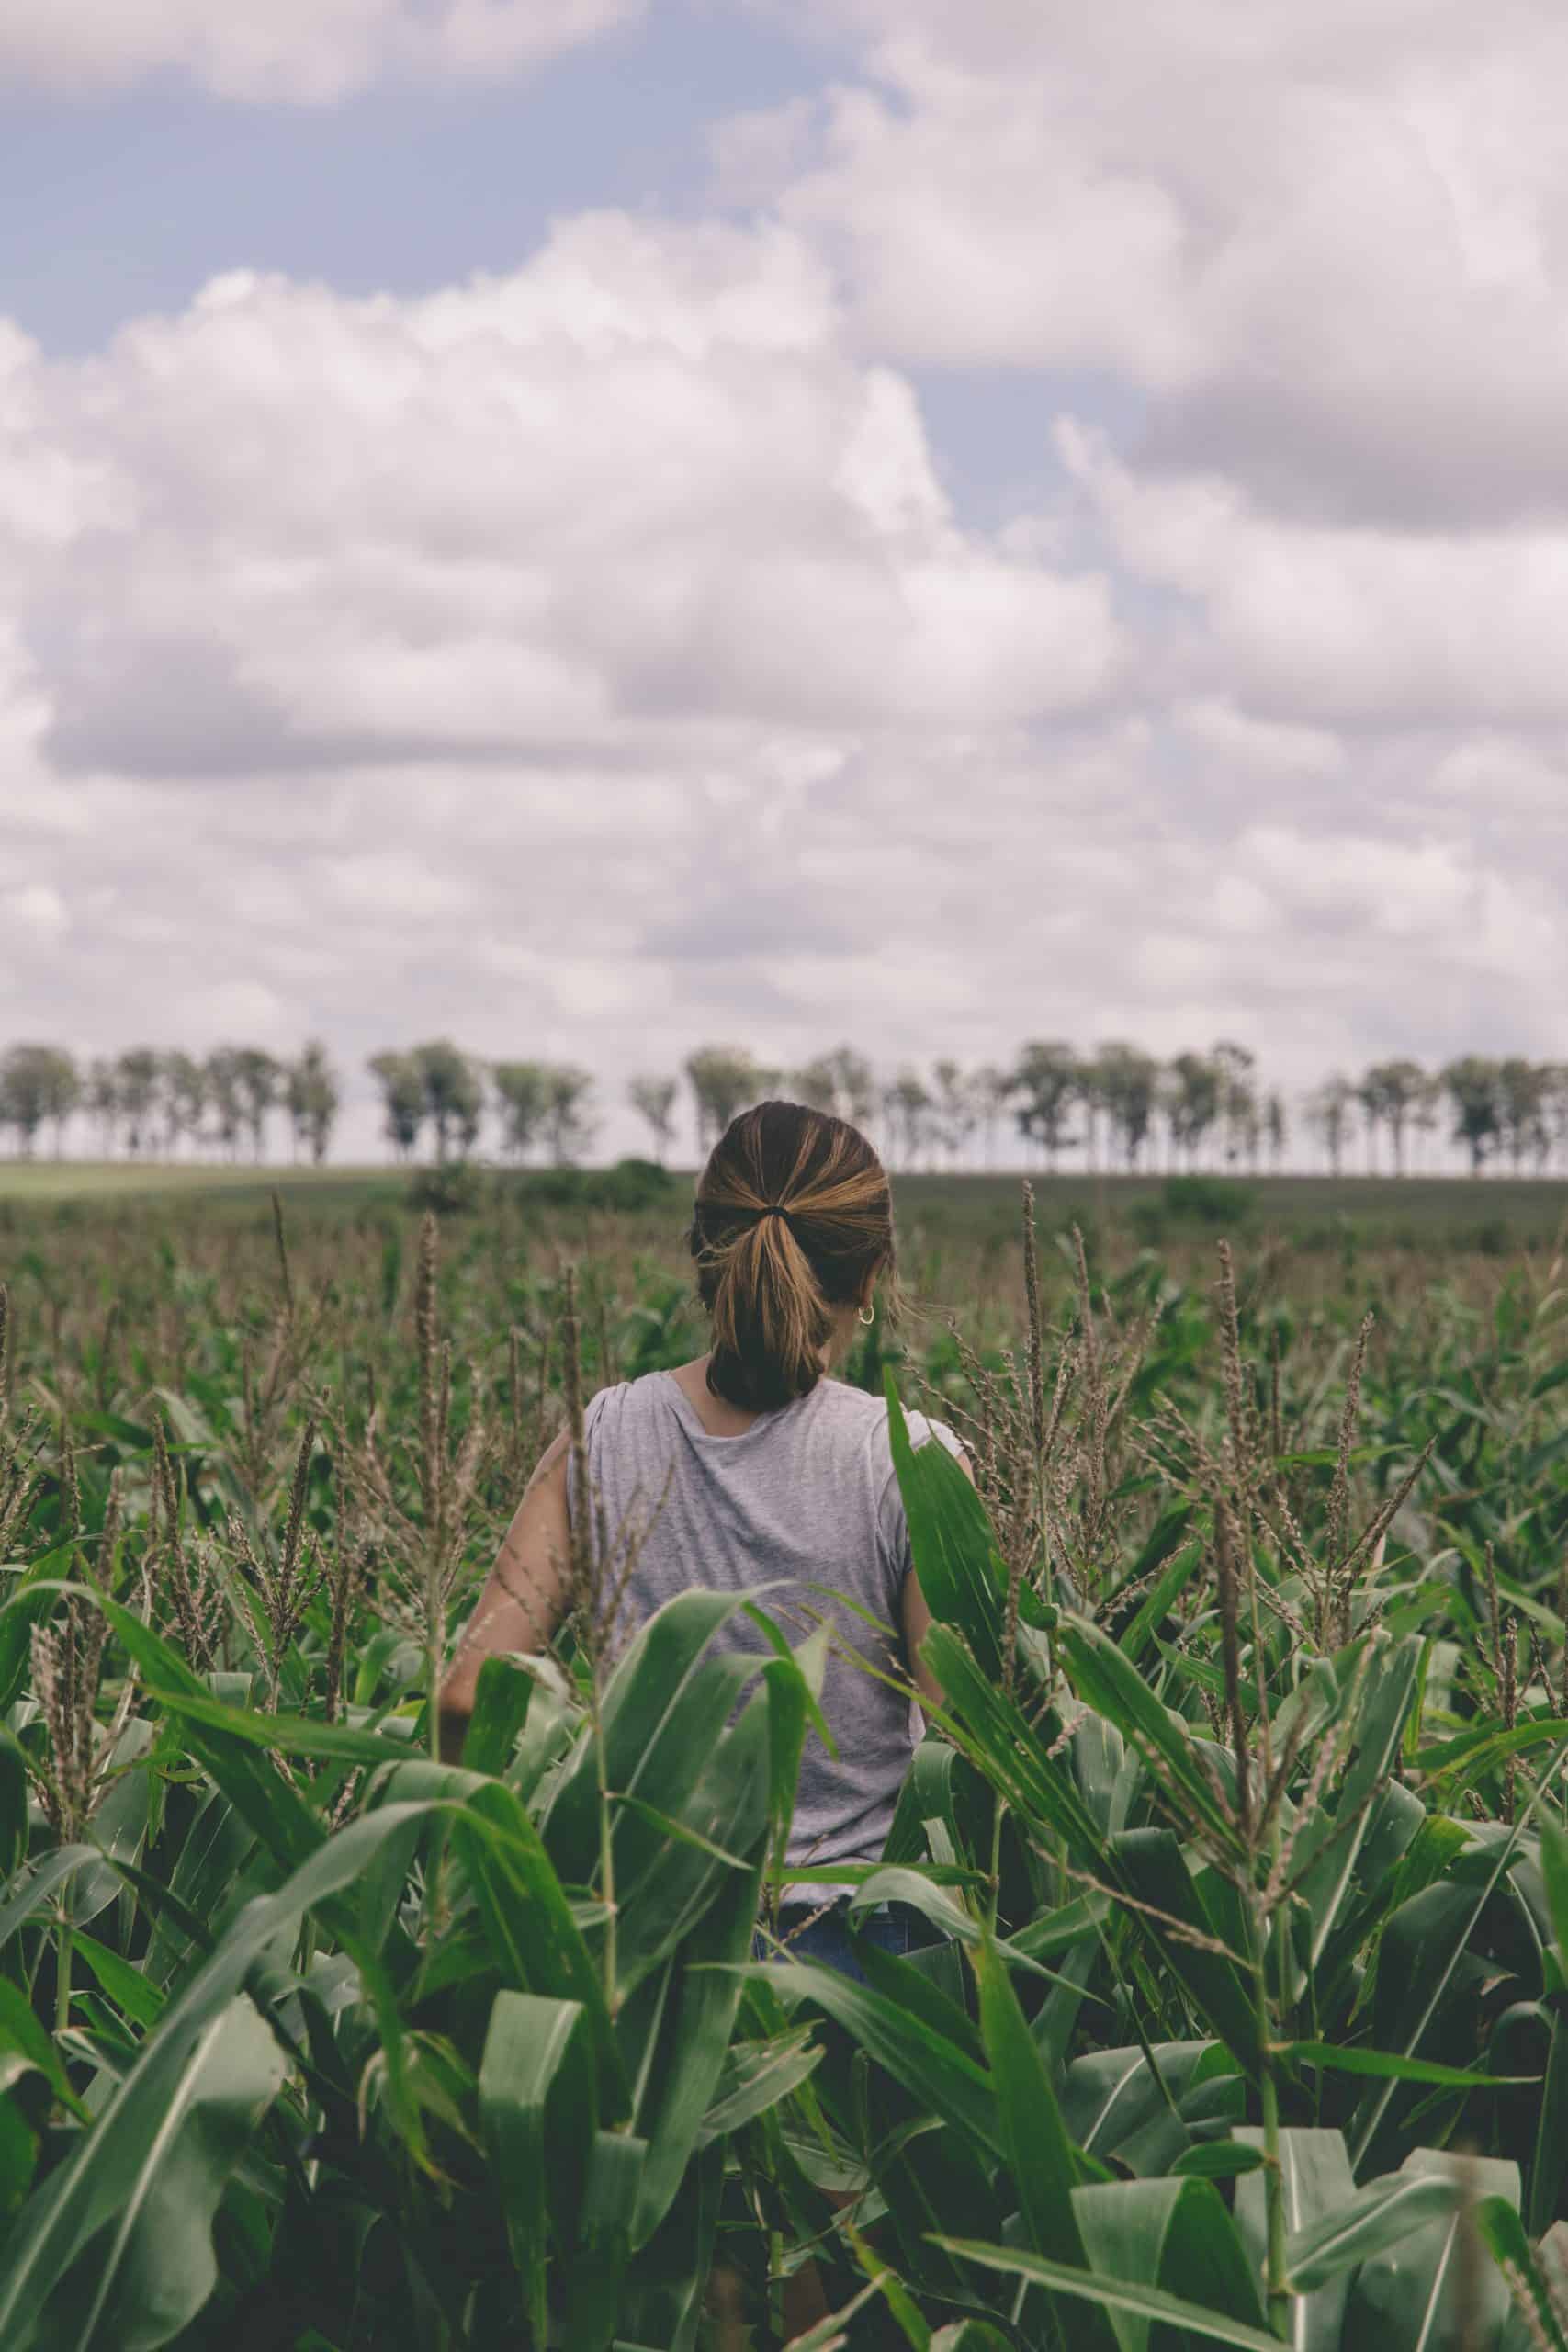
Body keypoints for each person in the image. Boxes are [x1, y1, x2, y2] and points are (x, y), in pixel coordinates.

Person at [435, 1095, 969, 1973]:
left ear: (701, 1255)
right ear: (870, 1277)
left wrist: (495, 1894)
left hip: (643, 1948)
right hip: (865, 1963)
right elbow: (960, 1743)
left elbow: (467, 1699)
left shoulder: (600, 1433)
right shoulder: (915, 1463)